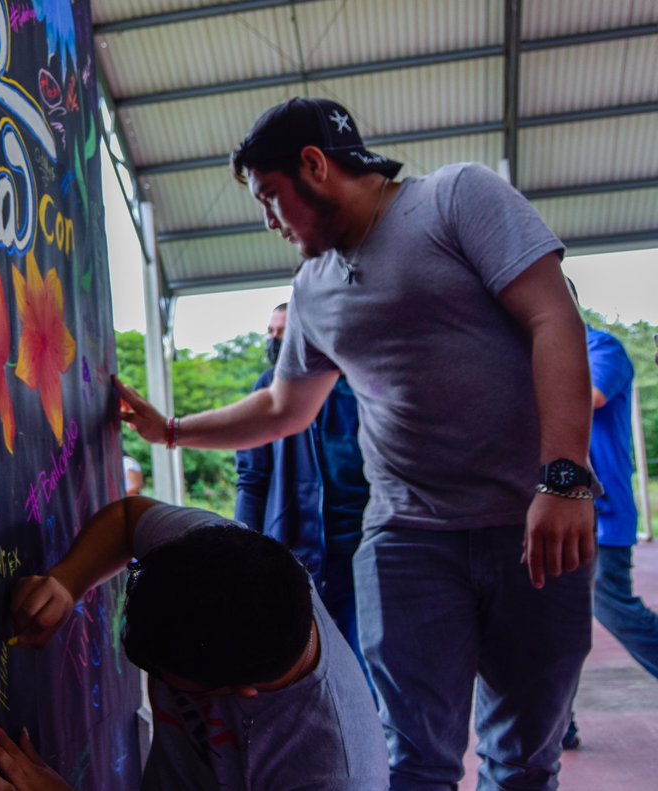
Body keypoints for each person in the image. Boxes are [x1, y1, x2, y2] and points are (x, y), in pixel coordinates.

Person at [116, 96, 596, 789]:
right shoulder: (311, 289)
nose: (268, 220)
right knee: (416, 759)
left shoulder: (455, 199)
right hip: (407, 540)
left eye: (271, 196)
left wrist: (563, 479)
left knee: (524, 757)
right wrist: (172, 431)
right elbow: (285, 408)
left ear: (315, 165)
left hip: (533, 524)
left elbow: (555, 317)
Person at [0, 496, 388, 790]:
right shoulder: (218, 555)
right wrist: (68, 581)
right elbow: (128, 520)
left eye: (167, 679)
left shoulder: (335, 773)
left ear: (243, 692)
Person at [235, 302, 370, 682]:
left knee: (366, 664)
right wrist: (243, 549)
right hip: (295, 550)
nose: (274, 340)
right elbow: (251, 477)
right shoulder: (268, 388)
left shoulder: (362, 384)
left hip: (364, 548)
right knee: (302, 665)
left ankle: (367, 739)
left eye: (283, 332)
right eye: (271, 332)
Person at [563, 309, 658, 749]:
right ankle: (558, 723)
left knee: (614, 607)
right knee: (546, 619)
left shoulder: (603, 349)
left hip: (605, 516)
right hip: (554, 513)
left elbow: (592, 396)